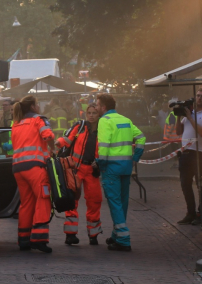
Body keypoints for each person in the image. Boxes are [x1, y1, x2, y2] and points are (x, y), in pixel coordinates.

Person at [95, 93, 145, 252]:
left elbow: (103, 146)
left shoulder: (104, 121)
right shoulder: (125, 119)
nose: (95, 108)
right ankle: (116, 234)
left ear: (103, 107)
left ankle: (123, 239)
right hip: (126, 167)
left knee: (114, 202)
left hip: (111, 168)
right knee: (122, 202)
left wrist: (100, 164)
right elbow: (141, 138)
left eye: (97, 105)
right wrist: (135, 158)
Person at [11, 95, 56, 253]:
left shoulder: (16, 123)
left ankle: (24, 239)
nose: (38, 107)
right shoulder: (38, 120)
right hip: (35, 167)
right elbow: (48, 136)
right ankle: (39, 238)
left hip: (18, 168)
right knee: (43, 199)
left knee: (26, 203)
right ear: (32, 107)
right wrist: (53, 149)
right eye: (37, 104)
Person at [56, 103, 103, 246]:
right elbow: (67, 140)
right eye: (89, 112)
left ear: (99, 114)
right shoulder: (80, 126)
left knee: (94, 201)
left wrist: (99, 162)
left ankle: (93, 235)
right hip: (76, 168)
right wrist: (55, 143)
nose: (91, 115)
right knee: (72, 200)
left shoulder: (103, 130)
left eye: (94, 113)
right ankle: (70, 235)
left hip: (92, 170)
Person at [175, 88, 202, 226]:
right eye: (197, 96)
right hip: (186, 153)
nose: (199, 98)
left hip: (200, 154)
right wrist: (179, 116)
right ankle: (190, 213)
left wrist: (191, 118)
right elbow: (178, 132)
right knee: (185, 184)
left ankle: (201, 215)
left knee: (201, 185)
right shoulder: (188, 114)